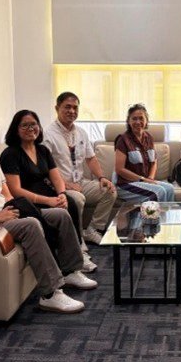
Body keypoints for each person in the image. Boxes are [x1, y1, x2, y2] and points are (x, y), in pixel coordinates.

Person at [0, 106, 96, 315]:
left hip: (5, 211)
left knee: (60, 214)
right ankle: (50, 294)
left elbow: (6, 192)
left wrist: (14, 207)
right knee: (31, 224)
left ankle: (71, 270)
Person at [0, 109, 97, 273]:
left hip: (47, 192)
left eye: (34, 124)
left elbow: (56, 177)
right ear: (16, 129)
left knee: (71, 202)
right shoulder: (10, 154)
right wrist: (48, 201)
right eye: (25, 125)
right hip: (27, 201)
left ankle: (78, 252)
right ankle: (67, 261)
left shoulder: (42, 150)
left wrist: (62, 194)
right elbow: (15, 190)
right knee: (62, 210)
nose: (31, 128)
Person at [43, 92, 117, 246]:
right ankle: (78, 242)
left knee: (110, 191)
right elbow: (44, 168)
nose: (72, 111)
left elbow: (91, 159)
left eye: (75, 108)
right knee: (77, 199)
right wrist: (67, 185)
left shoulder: (81, 133)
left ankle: (92, 230)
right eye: (67, 107)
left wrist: (102, 177)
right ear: (57, 108)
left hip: (80, 182)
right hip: (59, 186)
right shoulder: (47, 134)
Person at [114, 103, 175, 203]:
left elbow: (154, 162)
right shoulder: (123, 139)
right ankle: (153, 214)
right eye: (134, 119)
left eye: (141, 118)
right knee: (158, 192)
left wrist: (150, 178)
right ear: (129, 121)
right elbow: (119, 169)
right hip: (126, 184)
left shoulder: (148, 138)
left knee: (170, 189)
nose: (138, 122)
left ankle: (166, 214)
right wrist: (142, 179)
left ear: (146, 120)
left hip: (144, 182)